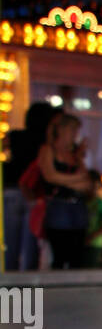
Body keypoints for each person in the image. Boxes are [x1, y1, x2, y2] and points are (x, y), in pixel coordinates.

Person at [36, 113, 91, 269]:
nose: (75, 135)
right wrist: (74, 182)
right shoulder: (48, 150)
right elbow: (50, 176)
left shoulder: (74, 154)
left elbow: (86, 180)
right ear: (61, 130)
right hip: (58, 206)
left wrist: (79, 159)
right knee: (59, 255)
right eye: (72, 130)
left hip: (78, 206)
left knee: (77, 255)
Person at [2, 101, 53, 270]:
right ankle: (26, 285)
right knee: (31, 243)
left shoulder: (16, 136)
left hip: (11, 189)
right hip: (32, 192)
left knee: (10, 242)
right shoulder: (45, 142)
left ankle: (8, 282)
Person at [84, 169, 102, 268]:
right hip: (81, 240)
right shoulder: (81, 202)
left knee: (91, 267)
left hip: (95, 243)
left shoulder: (100, 204)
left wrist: (92, 236)